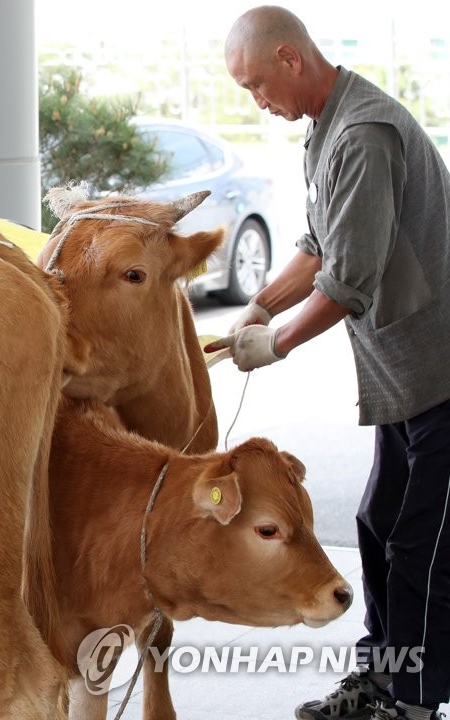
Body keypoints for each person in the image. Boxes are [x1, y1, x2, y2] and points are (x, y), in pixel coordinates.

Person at [207, 5, 450, 720]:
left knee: (425, 545)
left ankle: (411, 702)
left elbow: (350, 281)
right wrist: (259, 307)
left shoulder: (363, 134)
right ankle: (383, 675)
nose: (258, 101)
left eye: (256, 85)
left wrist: (274, 346)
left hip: (442, 376)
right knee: (378, 521)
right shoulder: (326, 131)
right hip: (404, 382)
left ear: (289, 58)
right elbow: (317, 246)